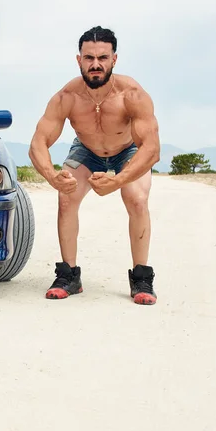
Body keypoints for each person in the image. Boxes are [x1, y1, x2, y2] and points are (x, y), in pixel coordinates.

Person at [29, 26, 160, 305]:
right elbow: (38, 143)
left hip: (128, 150)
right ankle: (69, 276)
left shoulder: (132, 94)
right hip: (86, 150)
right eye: (89, 58)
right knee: (66, 196)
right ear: (79, 60)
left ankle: (141, 277)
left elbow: (151, 149)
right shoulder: (67, 96)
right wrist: (52, 176)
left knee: (136, 198)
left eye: (102, 57)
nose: (96, 64)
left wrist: (118, 179)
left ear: (114, 59)